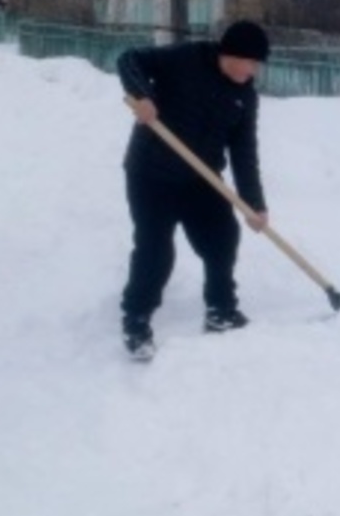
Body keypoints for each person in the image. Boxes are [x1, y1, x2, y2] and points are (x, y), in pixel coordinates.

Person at [115, 20, 272, 356]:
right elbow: (128, 59)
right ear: (232, 55)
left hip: (202, 178)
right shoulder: (186, 58)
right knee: (155, 249)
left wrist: (254, 204)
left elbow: (244, 152)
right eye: (252, 62)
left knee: (222, 239)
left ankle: (221, 309)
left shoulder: (244, 95)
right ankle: (136, 320)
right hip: (152, 173)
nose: (254, 70)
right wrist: (141, 94)